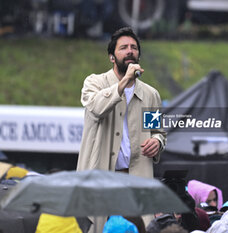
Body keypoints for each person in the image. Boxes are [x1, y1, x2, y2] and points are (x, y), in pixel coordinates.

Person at [76, 27, 167, 231]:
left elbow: (157, 132)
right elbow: (97, 109)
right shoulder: (94, 83)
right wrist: (124, 82)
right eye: (123, 47)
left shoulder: (151, 95)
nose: (129, 51)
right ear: (111, 57)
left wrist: (157, 142)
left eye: (134, 48)